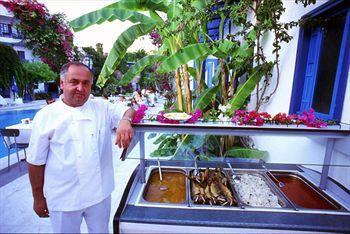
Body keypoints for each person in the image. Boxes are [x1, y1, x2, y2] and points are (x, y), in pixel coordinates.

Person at [27, 62, 135, 233]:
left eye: (86, 83)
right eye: (74, 81)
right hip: (63, 197)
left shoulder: (102, 107)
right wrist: (38, 198)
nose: (80, 87)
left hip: (99, 193)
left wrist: (125, 120)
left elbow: (128, 110)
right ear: (62, 83)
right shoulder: (45, 116)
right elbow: (35, 162)